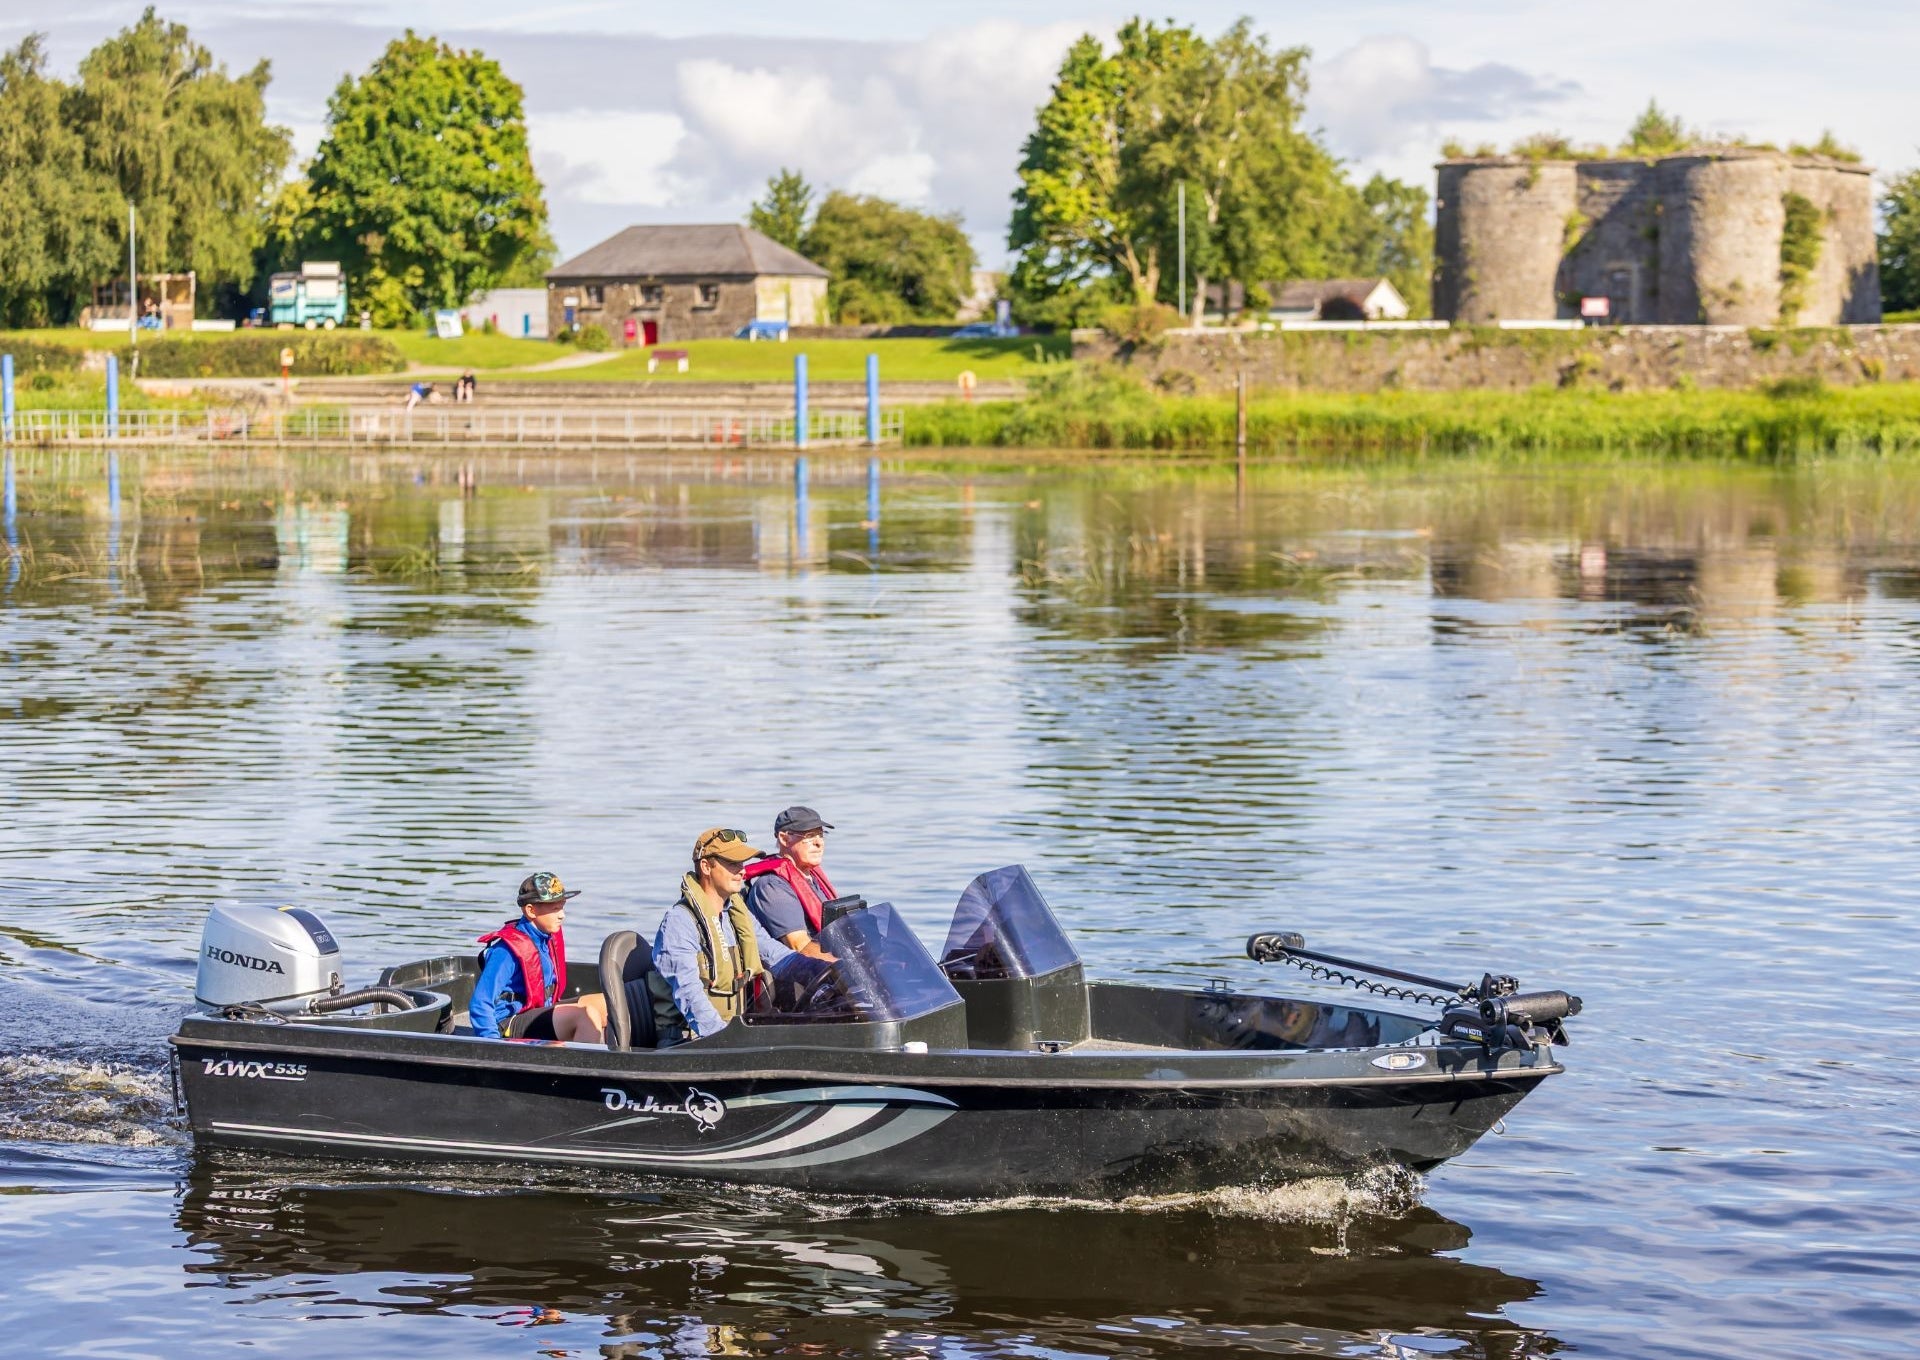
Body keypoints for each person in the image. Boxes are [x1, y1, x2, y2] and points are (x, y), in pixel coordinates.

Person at [648, 828, 792, 1044]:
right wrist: (725, 1040)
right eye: (732, 863)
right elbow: (689, 994)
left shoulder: (735, 914)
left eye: (742, 864)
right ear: (706, 867)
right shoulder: (680, 921)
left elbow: (775, 953)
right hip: (687, 1042)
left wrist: (822, 968)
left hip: (730, 1033)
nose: (742, 871)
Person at [471, 872, 608, 1041]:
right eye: (555, 908)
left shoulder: (546, 938)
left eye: (562, 906)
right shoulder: (506, 951)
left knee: (609, 1003)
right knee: (586, 1015)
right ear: (531, 910)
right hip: (509, 1022)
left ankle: (619, 1059)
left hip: (540, 1008)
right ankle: (581, 1067)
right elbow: (480, 1003)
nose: (562, 915)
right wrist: (494, 1046)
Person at [744, 806, 842, 957]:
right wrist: (847, 968)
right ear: (784, 838)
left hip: (833, 964)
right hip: (804, 974)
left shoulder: (813, 878)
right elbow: (799, 946)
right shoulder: (772, 886)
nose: (819, 843)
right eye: (809, 836)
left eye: (821, 835)